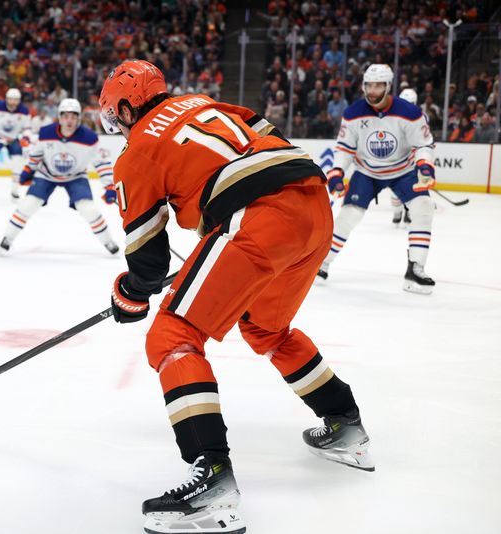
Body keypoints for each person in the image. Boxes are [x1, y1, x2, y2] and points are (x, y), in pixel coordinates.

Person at [99, 59, 373, 534]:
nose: (116, 127)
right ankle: (345, 425)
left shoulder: (136, 151)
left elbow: (147, 261)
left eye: (114, 116)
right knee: (266, 329)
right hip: (312, 205)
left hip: (260, 215)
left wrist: (129, 295)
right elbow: (264, 133)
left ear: (125, 107)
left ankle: (212, 481)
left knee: (171, 336)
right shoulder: (205, 102)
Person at [317, 64, 436, 294]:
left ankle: (415, 270)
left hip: (402, 170)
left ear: (388, 86)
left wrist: (424, 166)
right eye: (369, 85)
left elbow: (423, 144)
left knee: (423, 207)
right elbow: (344, 147)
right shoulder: (353, 113)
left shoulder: (409, 113)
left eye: (378, 85)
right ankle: (320, 263)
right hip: (367, 172)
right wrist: (337, 172)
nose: (372, 90)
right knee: (349, 215)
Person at [0, 98, 119, 255]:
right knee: (28, 205)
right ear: (59, 117)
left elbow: (101, 163)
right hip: (47, 174)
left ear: (79, 118)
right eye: (65, 116)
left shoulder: (89, 138)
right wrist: (28, 169)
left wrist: (109, 186)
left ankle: (108, 241)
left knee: (89, 209)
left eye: (73, 116)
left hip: (76, 176)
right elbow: (36, 153)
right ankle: (7, 238)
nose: (69, 120)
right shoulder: (46, 132)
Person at [390, 87, 419, 226]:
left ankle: (408, 211)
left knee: (412, 190)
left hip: (412, 161)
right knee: (395, 192)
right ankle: (397, 211)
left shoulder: (420, 120)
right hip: (397, 161)